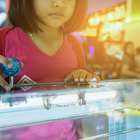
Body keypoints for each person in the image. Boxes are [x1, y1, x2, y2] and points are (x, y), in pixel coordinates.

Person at [0, 0, 99, 140]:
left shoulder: (74, 45)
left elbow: (85, 90)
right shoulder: (4, 39)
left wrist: (83, 77)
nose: (60, 3)